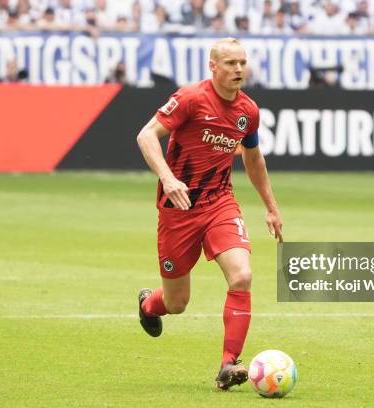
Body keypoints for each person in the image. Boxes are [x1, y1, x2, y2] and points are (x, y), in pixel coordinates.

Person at [135, 37, 283, 391]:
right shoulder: (190, 99)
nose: (238, 70)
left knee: (242, 276)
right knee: (177, 302)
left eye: (242, 63)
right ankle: (148, 304)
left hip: (220, 203)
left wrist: (271, 207)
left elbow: (253, 158)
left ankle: (228, 365)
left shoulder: (249, 110)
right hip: (179, 209)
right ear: (213, 66)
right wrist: (168, 178)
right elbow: (146, 136)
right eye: (230, 63)